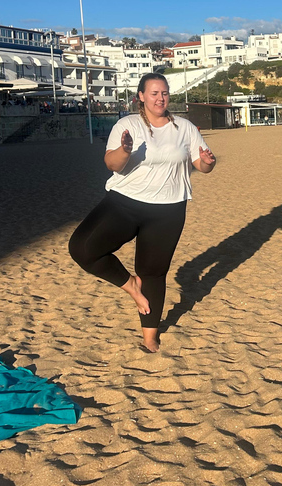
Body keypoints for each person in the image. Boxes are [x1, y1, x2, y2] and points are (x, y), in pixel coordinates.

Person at [69, 72, 216, 353]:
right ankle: (131, 286)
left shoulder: (184, 128)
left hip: (168, 210)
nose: (160, 98)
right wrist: (125, 150)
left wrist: (209, 162)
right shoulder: (128, 125)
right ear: (141, 96)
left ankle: (150, 337)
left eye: (164, 93)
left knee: (153, 272)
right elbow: (112, 164)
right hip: (124, 203)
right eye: (154, 93)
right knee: (82, 248)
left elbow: (202, 165)